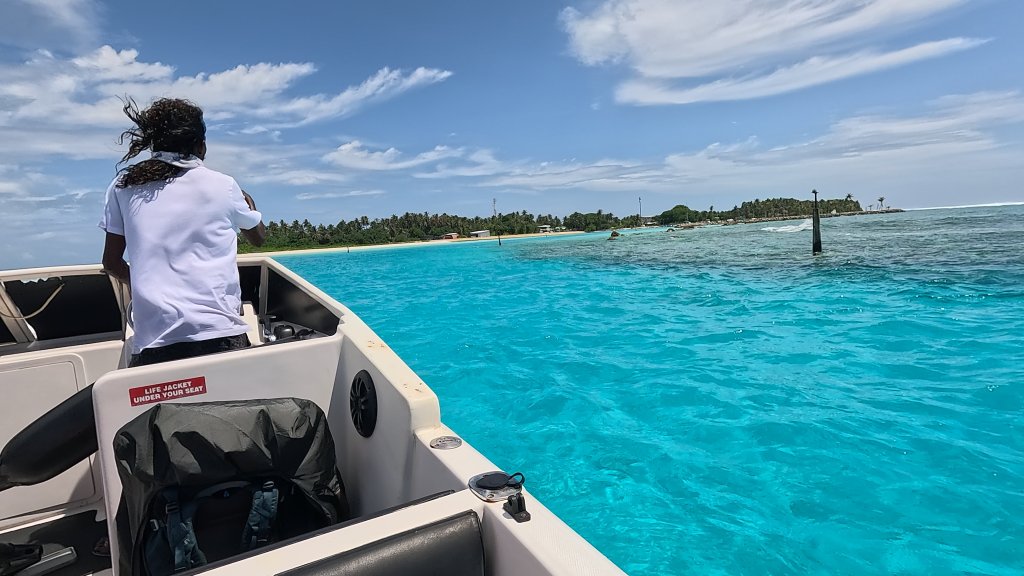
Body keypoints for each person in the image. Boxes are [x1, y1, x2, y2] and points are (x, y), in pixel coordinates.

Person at [99, 98, 266, 367]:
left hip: (154, 344)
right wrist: (250, 203)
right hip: (221, 335)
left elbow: (111, 262)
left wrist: (147, 288)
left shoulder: (122, 185)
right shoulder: (223, 185)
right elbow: (258, 237)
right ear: (200, 144)